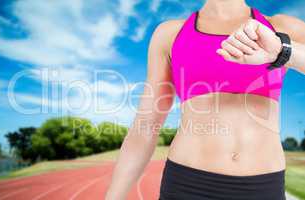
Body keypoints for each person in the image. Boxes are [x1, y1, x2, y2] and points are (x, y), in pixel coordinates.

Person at [106, 0, 305, 199]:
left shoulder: (283, 28)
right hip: (187, 186)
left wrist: (282, 50)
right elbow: (145, 129)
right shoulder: (170, 34)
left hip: (263, 188)